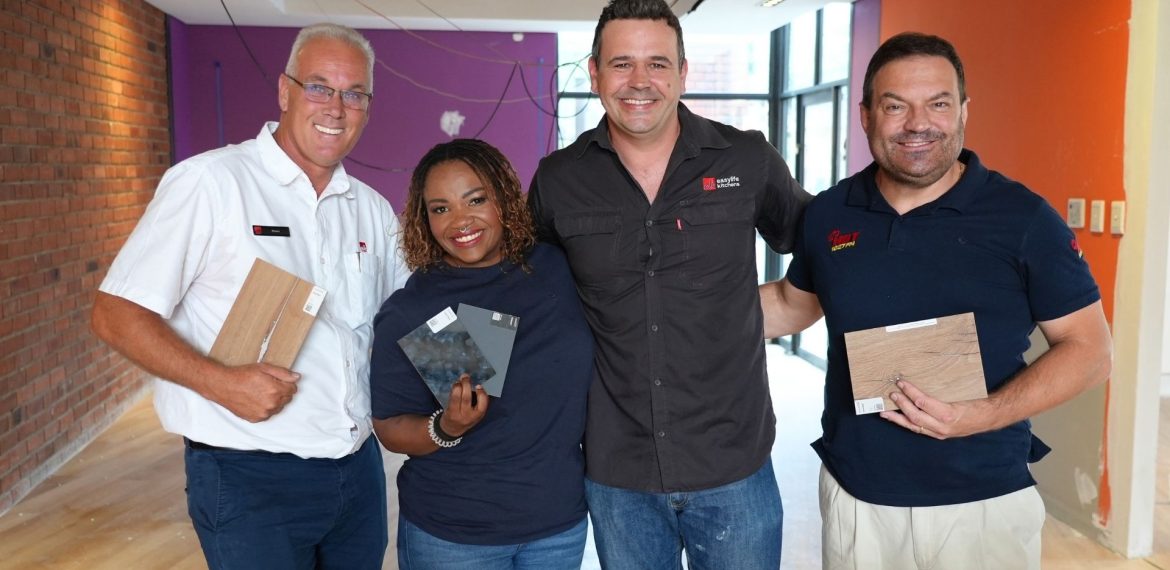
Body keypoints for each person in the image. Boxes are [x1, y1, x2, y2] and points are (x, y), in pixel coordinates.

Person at [759, 32, 1113, 570]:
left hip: (981, 503)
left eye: (938, 104)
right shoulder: (831, 213)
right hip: (858, 497)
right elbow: (792, 304)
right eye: (895, 106)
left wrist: (982, 415)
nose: (918, 123)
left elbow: (1090, 351)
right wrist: (664, 307)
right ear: (866, 116)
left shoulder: (1022, 219)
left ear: (963, 111)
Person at [90, 23, 408, 569]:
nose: (336, 108)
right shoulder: (211, 184)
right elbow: (115, 314)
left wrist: (483, 377)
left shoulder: (372, 210)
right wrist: (221, 384)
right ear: (285, 91)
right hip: (248, 478)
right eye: (319, 87)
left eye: (354, 94)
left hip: (356, 471)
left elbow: (410, 316)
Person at [527, 0, 811, 567]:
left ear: (682, 72)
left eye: (657, 64)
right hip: (619, 472)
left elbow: (826, 245)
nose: (640, 81)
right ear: (594, 74)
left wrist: (771, 308)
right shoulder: (559, 180)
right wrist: (452, 374)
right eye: (621, 64)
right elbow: (515, 289)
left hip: (734, 464)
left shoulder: (745, 158)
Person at [370, 139, 594, 569]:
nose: (461, 220)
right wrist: (446, 426)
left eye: (476, 200)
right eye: (440, 208)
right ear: (424, 220)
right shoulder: (415, 308)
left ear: (504, 198)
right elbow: (390, 427)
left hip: (558, 527)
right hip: (454, 535)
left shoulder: (556, 269)